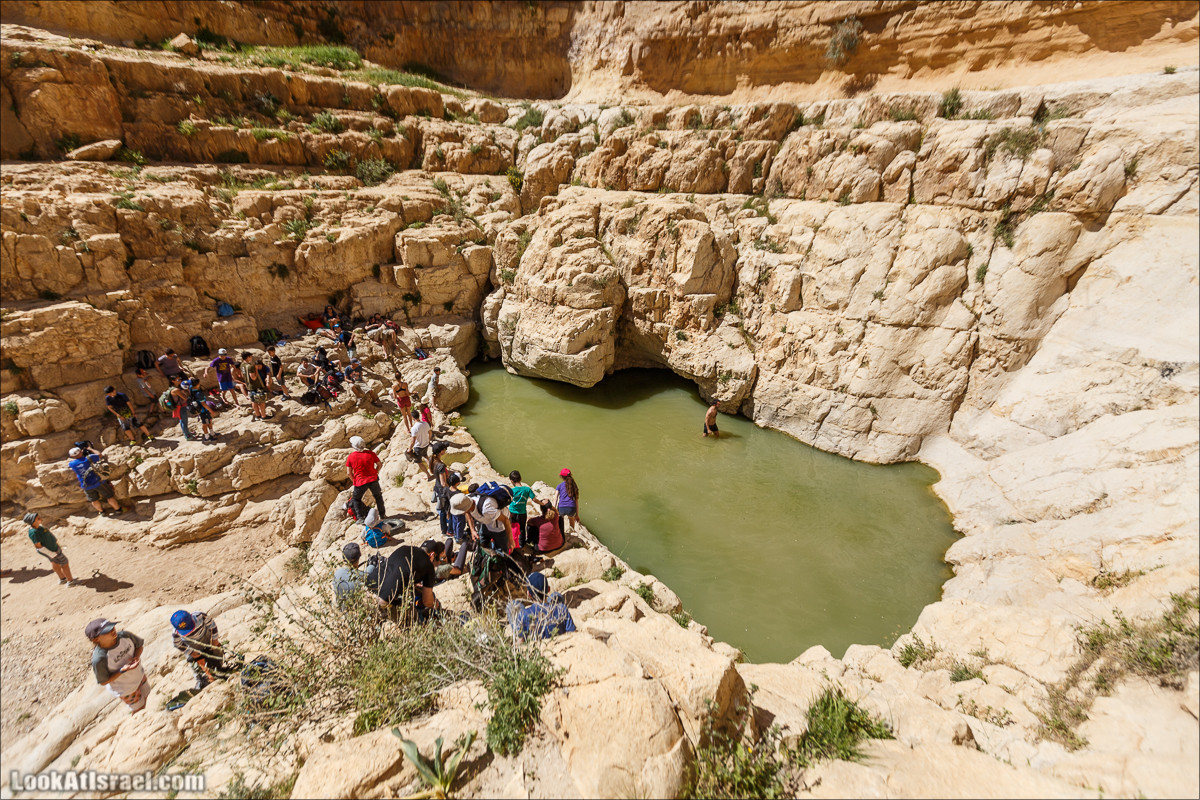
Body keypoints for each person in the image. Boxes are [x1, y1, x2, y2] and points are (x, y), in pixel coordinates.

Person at [86, 618, 149, 713]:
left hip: (139, 676)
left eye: (112, 627)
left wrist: (136, 656)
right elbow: (104, 681)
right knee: (139, 709)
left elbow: (139, 646)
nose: (113, 631)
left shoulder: (125, 636)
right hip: (126, 689)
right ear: (96, 639)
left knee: (147, 697)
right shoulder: (100, 658)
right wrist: (122, 671)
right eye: (107, 631)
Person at [371, 544, 442, 623]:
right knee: (413, 617)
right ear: (432, 555)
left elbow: (396, 572)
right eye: (439, 560)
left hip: (366, 588)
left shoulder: (404, 548)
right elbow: (427, 601)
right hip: (382, 601)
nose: (438, 564)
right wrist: (434, 603)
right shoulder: (429, 566)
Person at [506, 572, 576, 642]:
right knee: (556, 595)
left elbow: (521, 642)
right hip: (558, 637)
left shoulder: (523, 614)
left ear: (528, 594)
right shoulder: (562, 609)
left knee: (512, 605)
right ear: (548, 589)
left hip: (535, 642)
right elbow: (572, 633)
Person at [170, 610, 226, 690]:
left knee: (216, 653)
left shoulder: (200, 616)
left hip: (205, 638)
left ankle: (219, 668)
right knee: (196, 665)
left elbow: (212, 625)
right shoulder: (176, 633)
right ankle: (201, 680)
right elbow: (178, 644)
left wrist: (214, 640)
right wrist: (192, 653)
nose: (190, 632)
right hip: (191, 645)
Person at [24, 511, 76, 585]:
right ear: (33, 522)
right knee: (65, 563)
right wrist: (52, 554)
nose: (41, 519)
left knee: (55, 563)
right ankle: (71, 581)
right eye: (38, 518)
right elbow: (38, 546)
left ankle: (62, 579)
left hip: (54, 549)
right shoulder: (34, 533)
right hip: (52, 551)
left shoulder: (39, 527)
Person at [68, 446, 122, 516]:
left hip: (86, 485)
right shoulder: (89, 458)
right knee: (109, 496)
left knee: (94, 500)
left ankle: (102, 512)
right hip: (98, 482)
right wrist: (90, 449)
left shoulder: (72, 464)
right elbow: (99, 454)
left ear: (72, 456)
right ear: (81, 452)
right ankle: (118, 510)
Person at [346, 436, 387, 519]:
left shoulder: (351, 457)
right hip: (373, 479)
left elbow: (348, 473)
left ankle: (360, 517)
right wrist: (375, 472)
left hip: (360, 481)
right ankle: (382, 515)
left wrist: (354, 480)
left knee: (356, 499)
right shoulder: (371, 454)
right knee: (378, 496)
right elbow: (379, 464)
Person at [334, 542, 381, 610]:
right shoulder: (359, 576)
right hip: (355, 611)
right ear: (359, 558)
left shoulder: (336, 573)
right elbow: (367, 574)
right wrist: (372, 565)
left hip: (342, 609)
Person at [465, 485, 510, 553]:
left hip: (499, 528)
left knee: (501, 552)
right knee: (482, 545)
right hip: (486, 524)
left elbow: (505, 520)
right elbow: (467, 512)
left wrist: (511, 541)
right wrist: (472, 530)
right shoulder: (467, 499)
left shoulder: (486, 508)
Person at [508, 471, 535, 550]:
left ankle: (512, 542)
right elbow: (534, 499)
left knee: (512, 527)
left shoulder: (511, 490)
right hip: (522, 512)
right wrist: (542, 504)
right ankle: (521, 544)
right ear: (521, 478)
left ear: (512, 481)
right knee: (522, 528)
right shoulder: (527, 489)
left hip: (512, 512)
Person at [240, 352, 270, 420]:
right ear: (248, 357)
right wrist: (256, 369)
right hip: (256, 386)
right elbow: (253, 377)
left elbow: (242, 375)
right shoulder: (251, 366)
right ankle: (264, 416)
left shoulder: (242, 365)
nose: (251, 358)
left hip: (249, 386)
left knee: (254, 401)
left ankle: (257, 415)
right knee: (261, 401)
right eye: (250, 356)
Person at [168, 376, 193, 440]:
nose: (180, 380)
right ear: (173, 381)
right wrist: (187, 390)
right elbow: (185, 398)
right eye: (178, 379)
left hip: (178, 407)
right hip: (180, 407)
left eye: (180, 379)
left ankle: (187, 433)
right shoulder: (176, 390)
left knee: (182, 420)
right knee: (184, 421)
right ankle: (187, 436)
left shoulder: (171, 388)